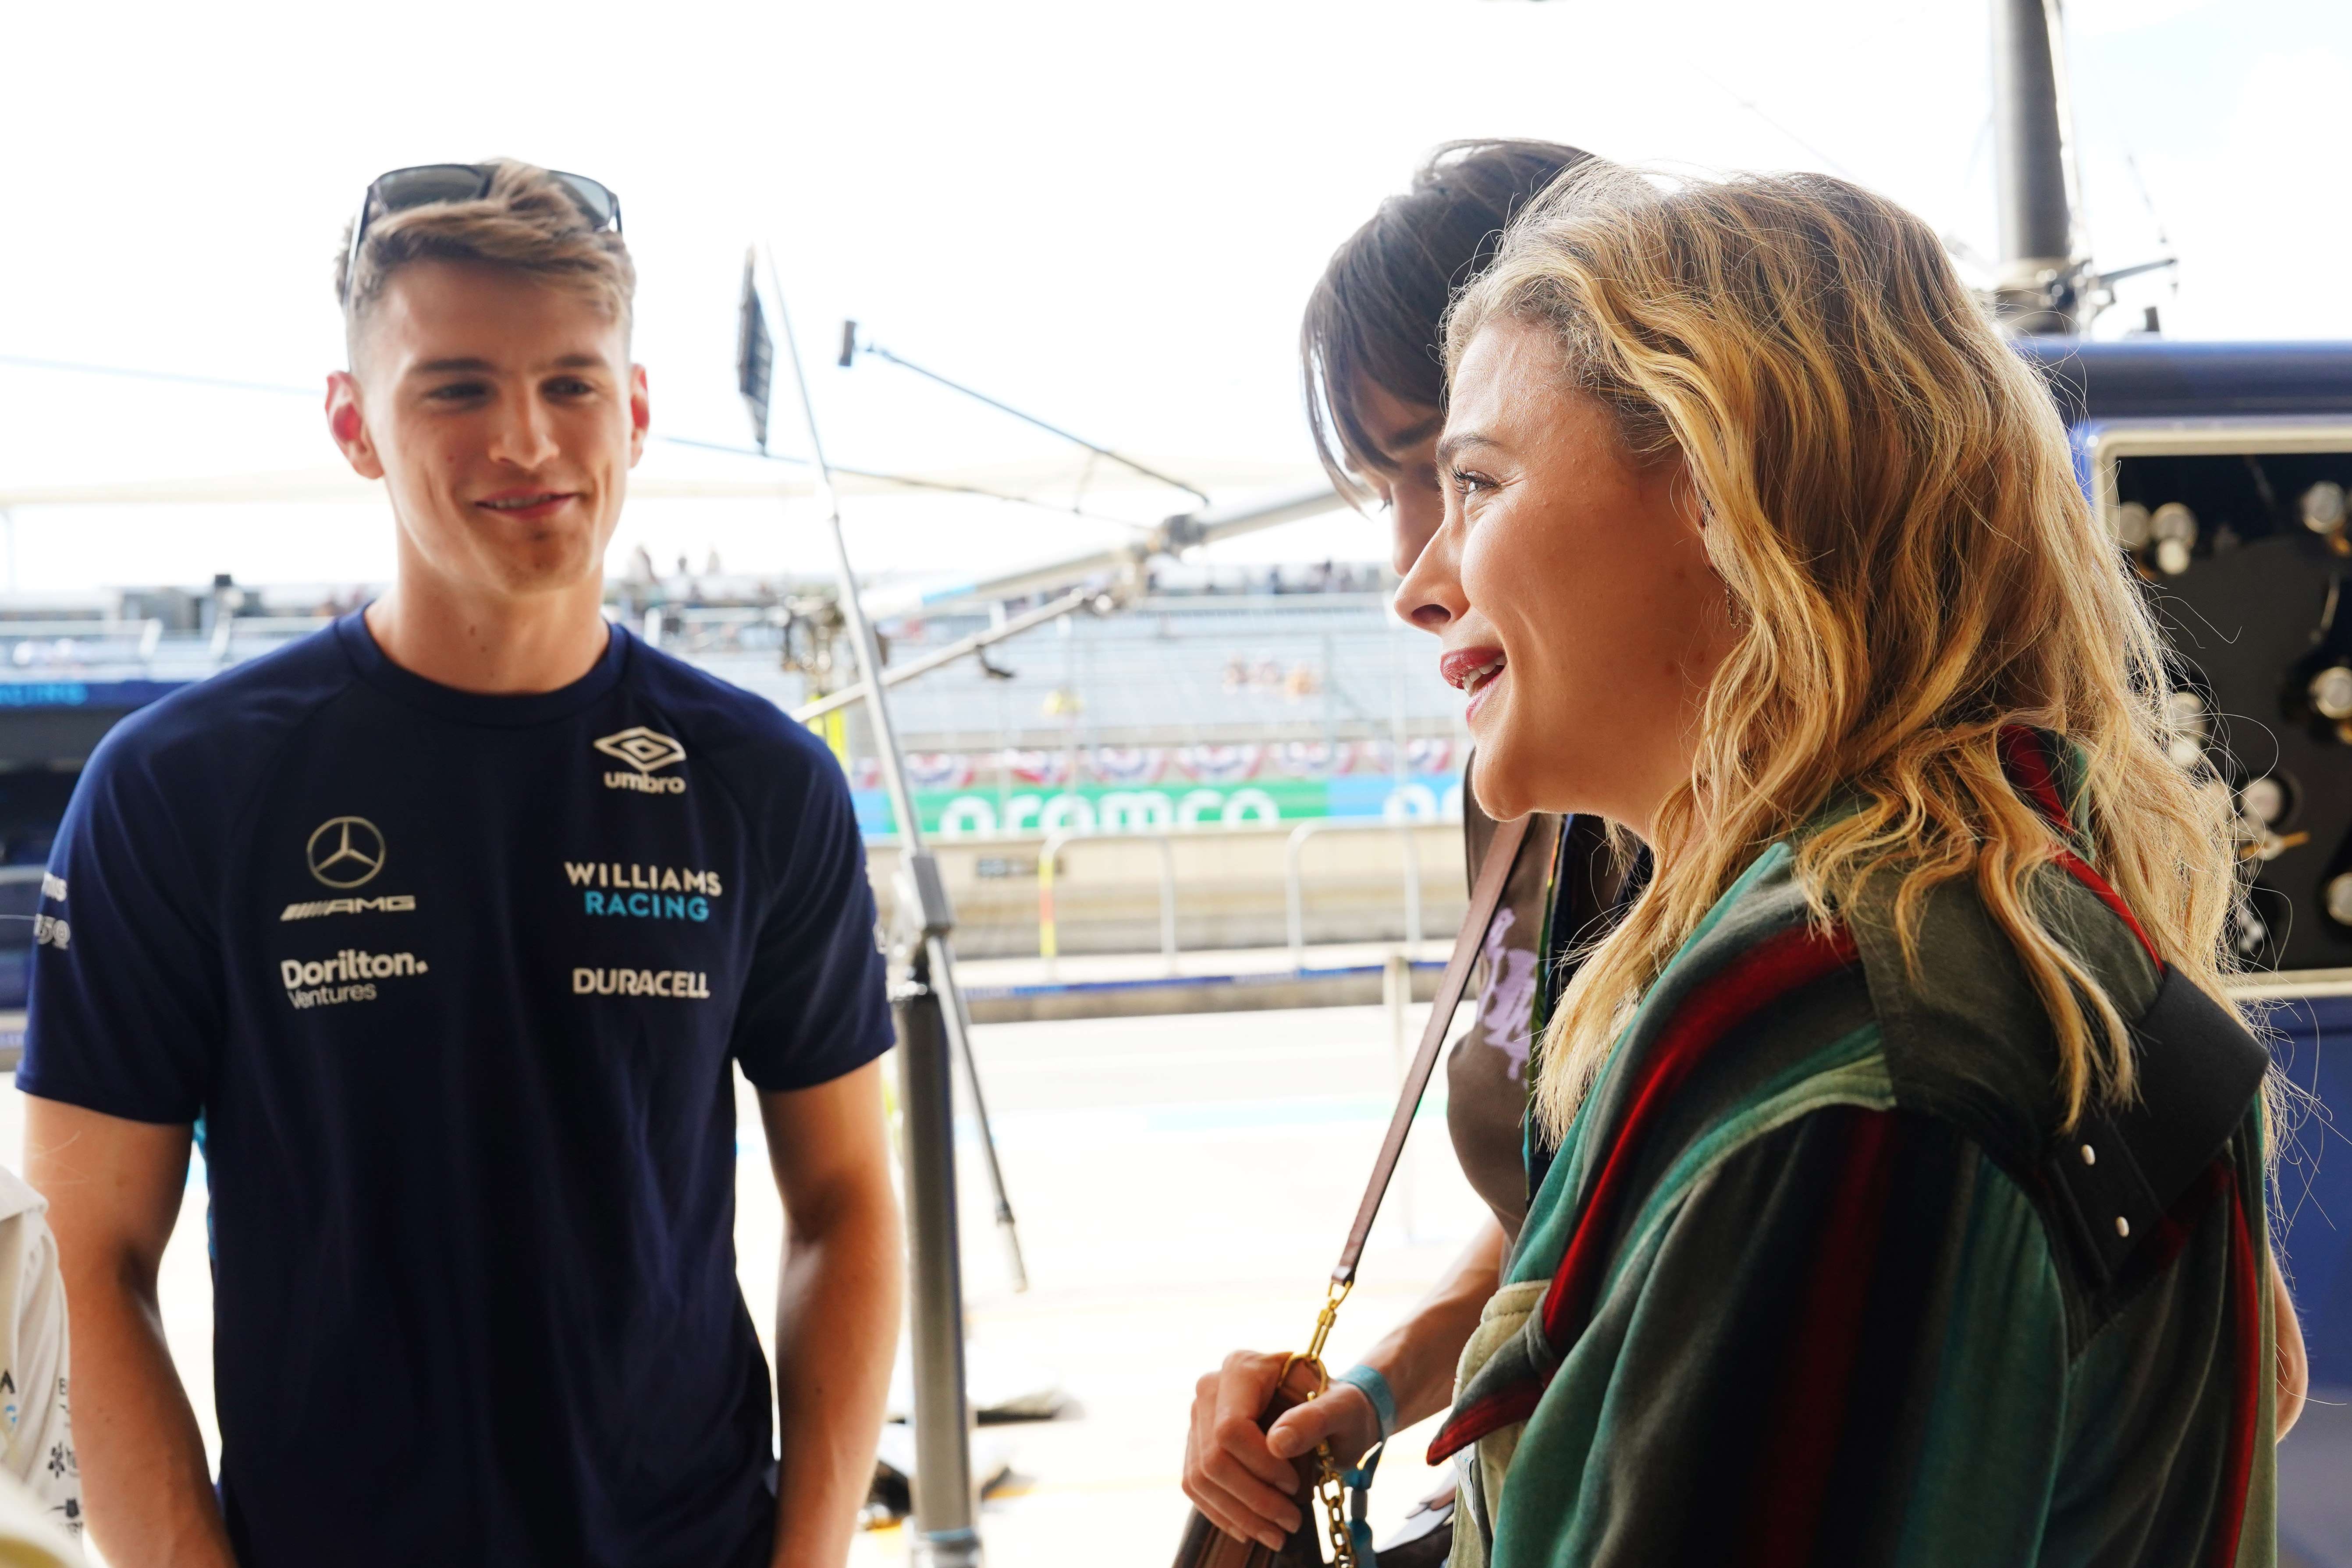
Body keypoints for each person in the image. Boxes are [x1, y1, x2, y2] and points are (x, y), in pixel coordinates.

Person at [1400, 162, 2301, 1565]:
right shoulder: (1979, 919)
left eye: (1476, 482)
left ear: (1726, 489)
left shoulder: (1850, 1041)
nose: (1420, 582)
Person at [20, 160, 902, 1568]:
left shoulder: (759, 783)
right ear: (353, 423)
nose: (527, 439)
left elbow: (844, 1201)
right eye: (457, 387)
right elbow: (86, 1252)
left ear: (637, 409)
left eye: (571, 383)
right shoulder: (180, 789)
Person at [1183, 138, 1616, 1560]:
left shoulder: (1811, 916)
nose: (1413, 575)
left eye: (1464, 471)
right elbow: (1564, 1202)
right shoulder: (1528, 797)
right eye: (1390, 488)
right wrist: (1370, 1392)